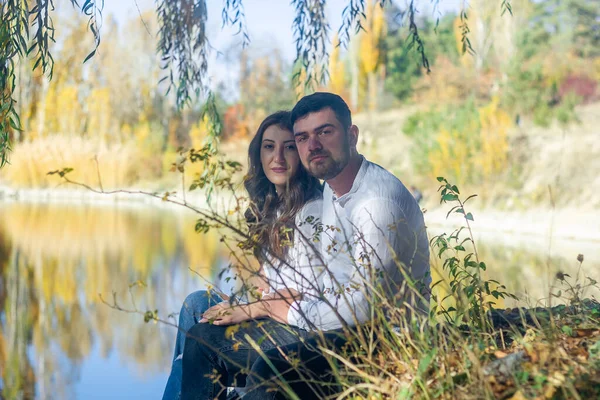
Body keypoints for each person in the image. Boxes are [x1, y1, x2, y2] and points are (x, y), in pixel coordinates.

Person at [181, 93, 431, 399]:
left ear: (352, 136)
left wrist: (273, 308)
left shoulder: (375, 204)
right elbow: (325, 285)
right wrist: (270, 303)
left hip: (378, 342)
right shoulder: (333, 189)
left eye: (325, 132)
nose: (313, 146)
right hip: (332, 324)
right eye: (303, 137)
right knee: (204, 326)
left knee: (247, 359)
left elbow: (362, 308)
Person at [162, 111, 323, 400]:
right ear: (258, 154)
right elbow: (270, 284)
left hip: (300, 328)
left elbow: (309, 294)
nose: (278, 158)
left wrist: (246, 310)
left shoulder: (313, 211)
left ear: (301, 153)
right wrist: (247, 297)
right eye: (269, 146)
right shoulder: (273, 207)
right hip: (272, 313)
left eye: (288, 147)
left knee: (202, 337)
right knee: (196, 304)